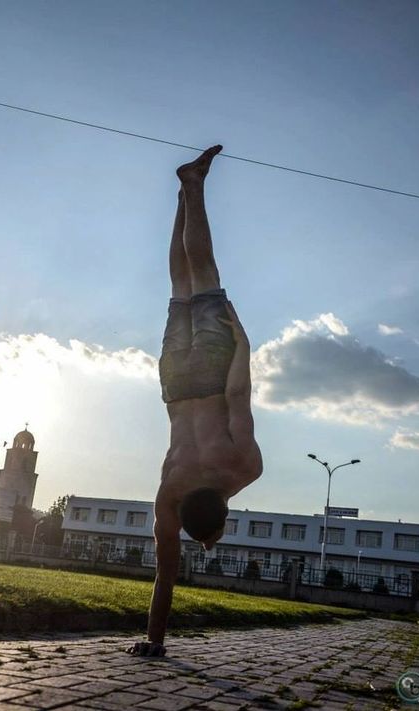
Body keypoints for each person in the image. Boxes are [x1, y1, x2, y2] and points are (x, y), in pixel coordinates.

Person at [128, 145, 263, 656]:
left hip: (210, 372)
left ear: (225, 514)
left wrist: (243, 344)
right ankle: (183, 191)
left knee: (202, 273)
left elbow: (237, 392)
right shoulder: (170, 494)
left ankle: (194, 186)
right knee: (179, 285)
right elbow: (166, 573)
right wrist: (152, 641)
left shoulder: (243, 468)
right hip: (174, 385)